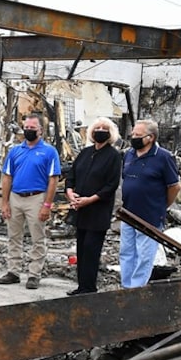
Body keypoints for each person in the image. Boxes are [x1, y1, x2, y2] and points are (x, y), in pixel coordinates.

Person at [0, 113, 61, 289]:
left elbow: (53, 180)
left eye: (32, 128)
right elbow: (7, 177)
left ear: (40, 130)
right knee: (13, 236)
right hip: (15, 197)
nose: (28, 130)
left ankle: (34, 274)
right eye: (26, 127)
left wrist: (47, 205)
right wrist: (4, 202)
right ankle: (13, 271)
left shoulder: (49, 152)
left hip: (37, 198)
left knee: (37, 238)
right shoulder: (15, 151)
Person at [119, 119, 180, 289]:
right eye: (133, 134)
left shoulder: (164, 157)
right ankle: (126, 287)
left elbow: (174, 186)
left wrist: (162, 205)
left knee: (144, 255)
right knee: (126, 252)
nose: (133, 137)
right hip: (128, 213)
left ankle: (137, 288)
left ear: (151, 137)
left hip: (150, 215)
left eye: (138, 135)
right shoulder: (129, 155)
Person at [65, 118, 123, 295]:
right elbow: (71, 176)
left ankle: (89, 288)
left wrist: (90, 199)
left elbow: (111, 185)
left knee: (91, 250)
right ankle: (81, 286)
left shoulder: (113, 156)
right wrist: (70, 193)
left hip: (98, 211)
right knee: (81, 249)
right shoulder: (85, 153)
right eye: (97, 127)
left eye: (104, 128)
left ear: (111, 133)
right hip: (80, 210)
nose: (100, 130)